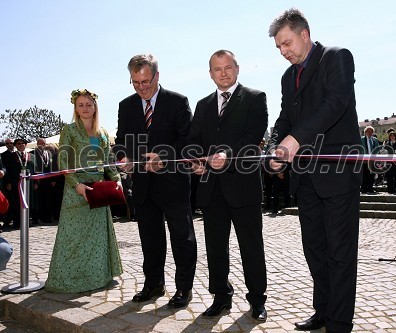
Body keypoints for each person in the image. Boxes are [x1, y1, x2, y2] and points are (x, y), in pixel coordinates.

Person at [267, 8, 362, 333]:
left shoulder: (336, 58)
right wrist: (275, 146)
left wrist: (295, 140)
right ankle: (322, 311)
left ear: (304, 35)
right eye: (279, 47)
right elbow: (284, 119)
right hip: (305, 179)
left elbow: (334, 105)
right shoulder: (287, 77)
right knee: (316, 252)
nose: (284, 51)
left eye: (287, 43)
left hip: (337, 174)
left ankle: (338, 322)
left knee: (340, 253)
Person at [187, 49, 268, 321]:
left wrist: (227, 156)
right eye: (217, 69)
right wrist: (195, 161)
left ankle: (257, 300)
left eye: (227, 67)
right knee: (215, 247)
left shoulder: (256, 98)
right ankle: (221, 297)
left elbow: (252, 137)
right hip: (211, 188)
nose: (223, 73)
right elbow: (194, 140)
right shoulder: (203, 104)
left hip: (243, 186)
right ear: (210, 73)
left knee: (251, 246)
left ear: (237, 68)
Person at [115, 54, 197, 307]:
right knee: (150, 238)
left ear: (157, 76)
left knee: (181, 238)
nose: (142, 87)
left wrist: (164, 157)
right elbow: (121, 141)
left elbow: (189, 140)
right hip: (143, 184)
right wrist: (123, 158)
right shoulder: (126, 106)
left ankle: (184, 288)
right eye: (136, 82)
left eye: (146, 81)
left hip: (173, 183)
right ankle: (153, 284)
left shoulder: (177, 102)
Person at [44, 89, 123, 293]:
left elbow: (108, 162)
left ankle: (98, 277)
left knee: (96, 238)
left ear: (95, 106)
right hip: (76, 191)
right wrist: (77, 185)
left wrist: (116, 180)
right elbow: (63, 161)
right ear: (75, 108)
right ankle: (71, 279)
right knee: (74, 238)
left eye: (89, 104)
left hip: (98, 191)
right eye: (81, 105)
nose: (85, 108)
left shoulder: (103, 133)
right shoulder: (69, 130)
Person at [3, 138, 35, 230]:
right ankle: (17, 222)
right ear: (15, 145)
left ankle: (27, 221)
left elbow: (35, 170)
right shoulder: (11, 156)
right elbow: (8, 170)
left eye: (22, 143)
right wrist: (8, 182)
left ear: (25, 145)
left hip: (28, 182)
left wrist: (36, 182)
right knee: (16, 202)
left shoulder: (31, 156)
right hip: (16, 183)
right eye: (18, 144)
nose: (21, 145)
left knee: (28, 202)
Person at [32, 138, 54, 224]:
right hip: (38, 180)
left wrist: (53, 179)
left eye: (44, 143)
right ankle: (37, 218)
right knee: (38, 200)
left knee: (47, 199)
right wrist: (35, 181)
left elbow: (52, 166)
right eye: (41, 143)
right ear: (37, 144)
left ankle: (47, 217)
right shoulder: (32, 153)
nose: (42, 145)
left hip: (48, 180)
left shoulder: (48, 153)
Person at [361, 126, 379, 193]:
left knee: (372, 175)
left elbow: (377, 149)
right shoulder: (361, 139)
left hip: (372, 161)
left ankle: (370, 188)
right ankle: (363, 189)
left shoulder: (375, 140)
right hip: (364, 161)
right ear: (365, 132)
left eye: (371, 131)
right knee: (364, 175)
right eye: (368, 131)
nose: (370, 132)